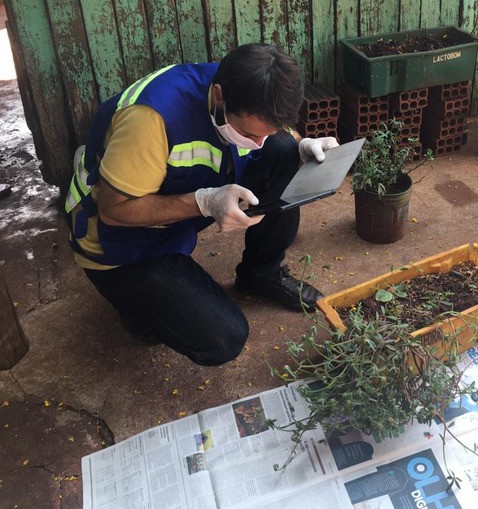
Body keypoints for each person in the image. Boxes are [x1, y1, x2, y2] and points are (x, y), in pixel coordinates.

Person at [65, 43, 338, 366]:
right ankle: (137, 310)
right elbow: (115, 211)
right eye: (250, 133)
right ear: (219, 96)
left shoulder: (243, 86)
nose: (257, 144)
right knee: (223, 338)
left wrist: (300, 146)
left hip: (176, 205)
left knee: (283, 150)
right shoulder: (150, 120)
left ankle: (260, 276)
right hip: (119, 244)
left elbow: (273, 132)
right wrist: (204, 202)